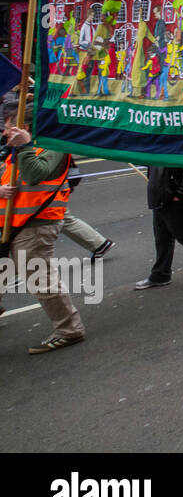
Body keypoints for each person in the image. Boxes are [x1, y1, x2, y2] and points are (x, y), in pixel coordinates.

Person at [0, 102, 87, 353]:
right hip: (10, 225)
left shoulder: (52, 146)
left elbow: (36, 174)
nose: (5, 133)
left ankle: (70, 330)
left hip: (35, 224)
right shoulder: (10, 149)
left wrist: (25, 146)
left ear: (24, 126)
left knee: (39, 278)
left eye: (8, 127)